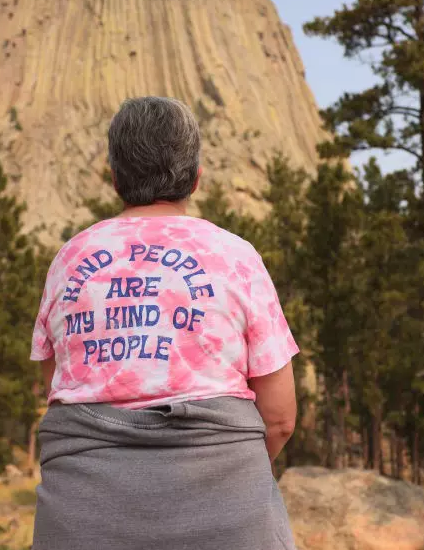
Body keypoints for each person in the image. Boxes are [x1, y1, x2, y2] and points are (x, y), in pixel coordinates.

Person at [31, 97, 298, 550]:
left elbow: (57, 384)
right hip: (230, 515)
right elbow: (281, 419)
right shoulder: (236, 257)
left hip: (82, 520)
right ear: (196, 178)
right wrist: (232, 479)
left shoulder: (69, 259)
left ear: (114, 178)